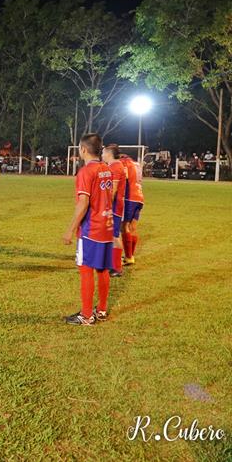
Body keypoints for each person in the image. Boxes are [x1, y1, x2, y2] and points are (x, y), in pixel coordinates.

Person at [61, 133, 113, 325]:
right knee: (102, 269)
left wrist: (69, 230)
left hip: (92, 229)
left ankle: (86, 315)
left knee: (86, 269)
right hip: (107, 227)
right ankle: (101, 310)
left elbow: (83, 203)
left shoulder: (85, 171)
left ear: (83, 150)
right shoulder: (106, 168)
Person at [102, 144, 126, 277]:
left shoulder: (115, 166)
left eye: (103, 153)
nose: (102, 155)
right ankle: (113, 262)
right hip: (115, 206)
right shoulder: (114, 166)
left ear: (109, 153)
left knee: (114, 236)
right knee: (113, 235)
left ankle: (117, 267)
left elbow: (113, 190)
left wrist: (106, 206)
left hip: (115, 206)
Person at [119, 154, 144, 265]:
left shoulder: (124, 163)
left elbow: (125, 177)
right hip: (140, 197)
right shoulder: (137, 164)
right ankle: (131, 256)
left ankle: (128, 257)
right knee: (133, 228)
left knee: (124, 226)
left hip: (130, 198)